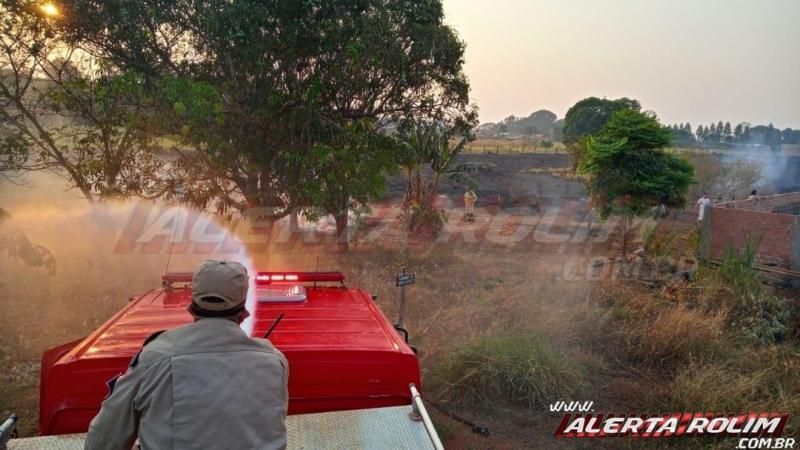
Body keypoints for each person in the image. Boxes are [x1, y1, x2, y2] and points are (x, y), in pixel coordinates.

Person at [85, 260, 289, 450]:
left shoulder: (155, 357)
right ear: (243, 310)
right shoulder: (275, 361)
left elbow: (104, 439)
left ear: (192, 306)